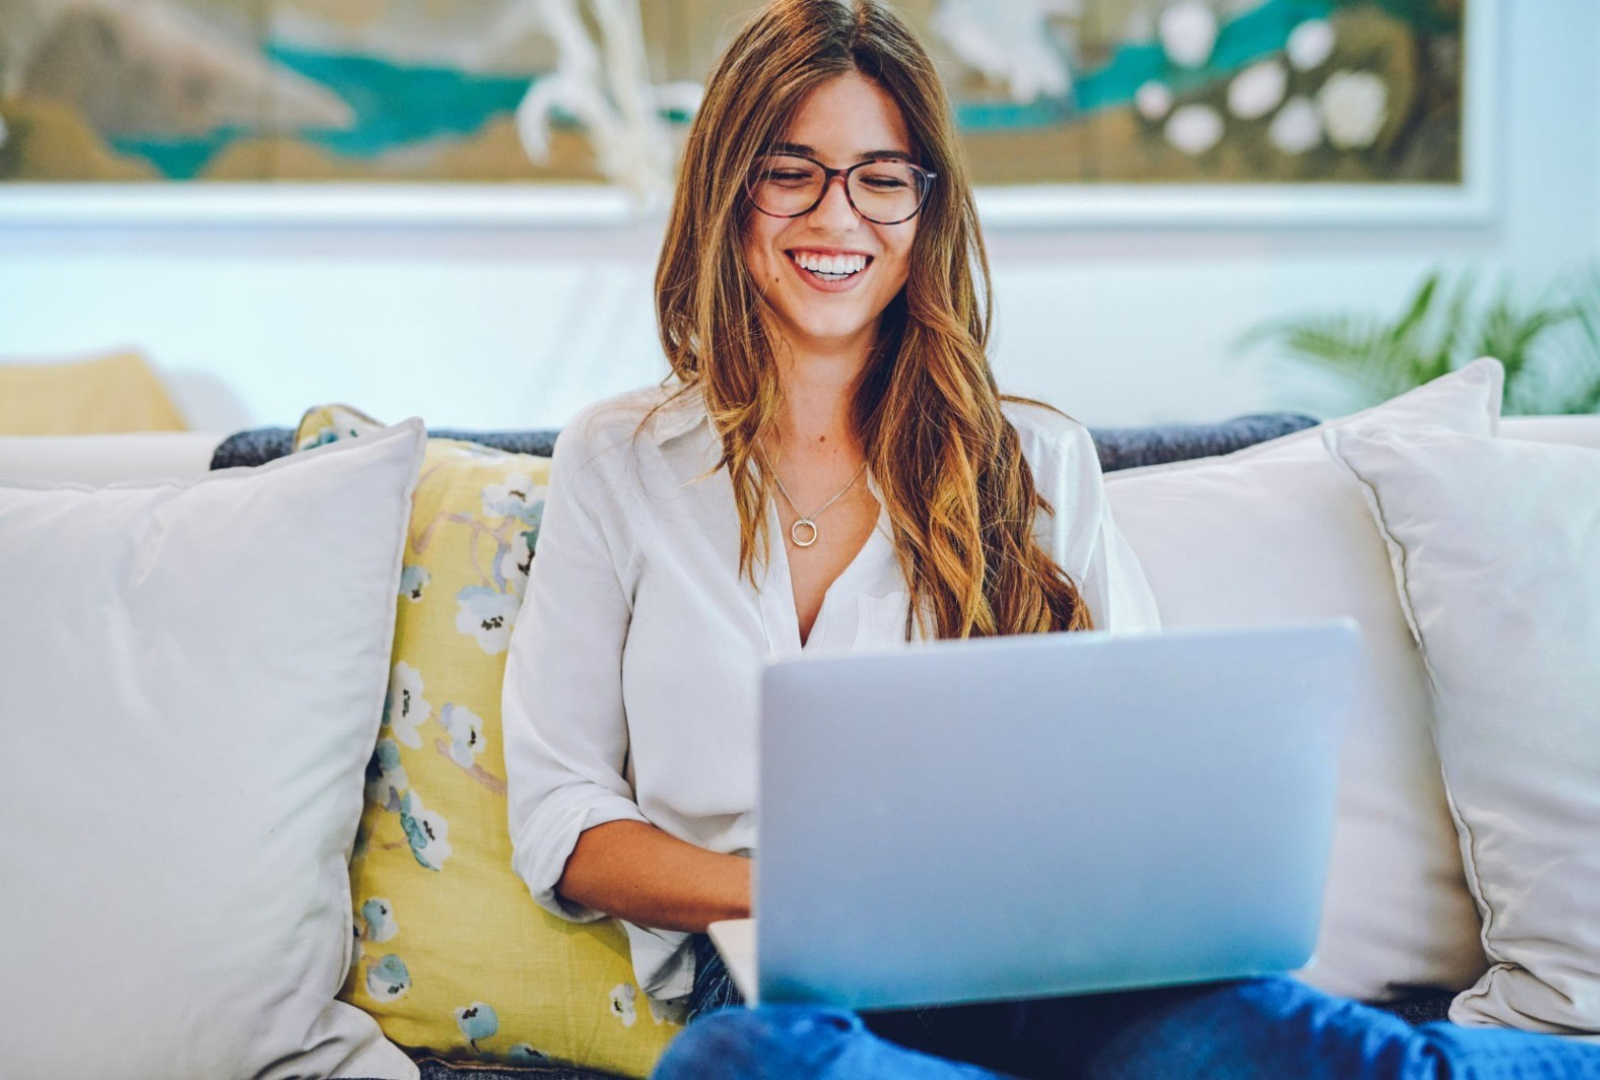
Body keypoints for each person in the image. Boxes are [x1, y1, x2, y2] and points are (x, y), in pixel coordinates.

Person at [502, 2, 1600, 1077]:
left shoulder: (1035, 458)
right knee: (745, 1063)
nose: (838, 218)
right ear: (726, 188)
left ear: (927, 207)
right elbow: (563, 814)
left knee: (1305, 1044)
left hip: (1049, 962)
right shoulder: (619, 459)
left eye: (882, 178)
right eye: (791, 173)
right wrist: (791, 896)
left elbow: (1145, 765)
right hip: (786, 972)